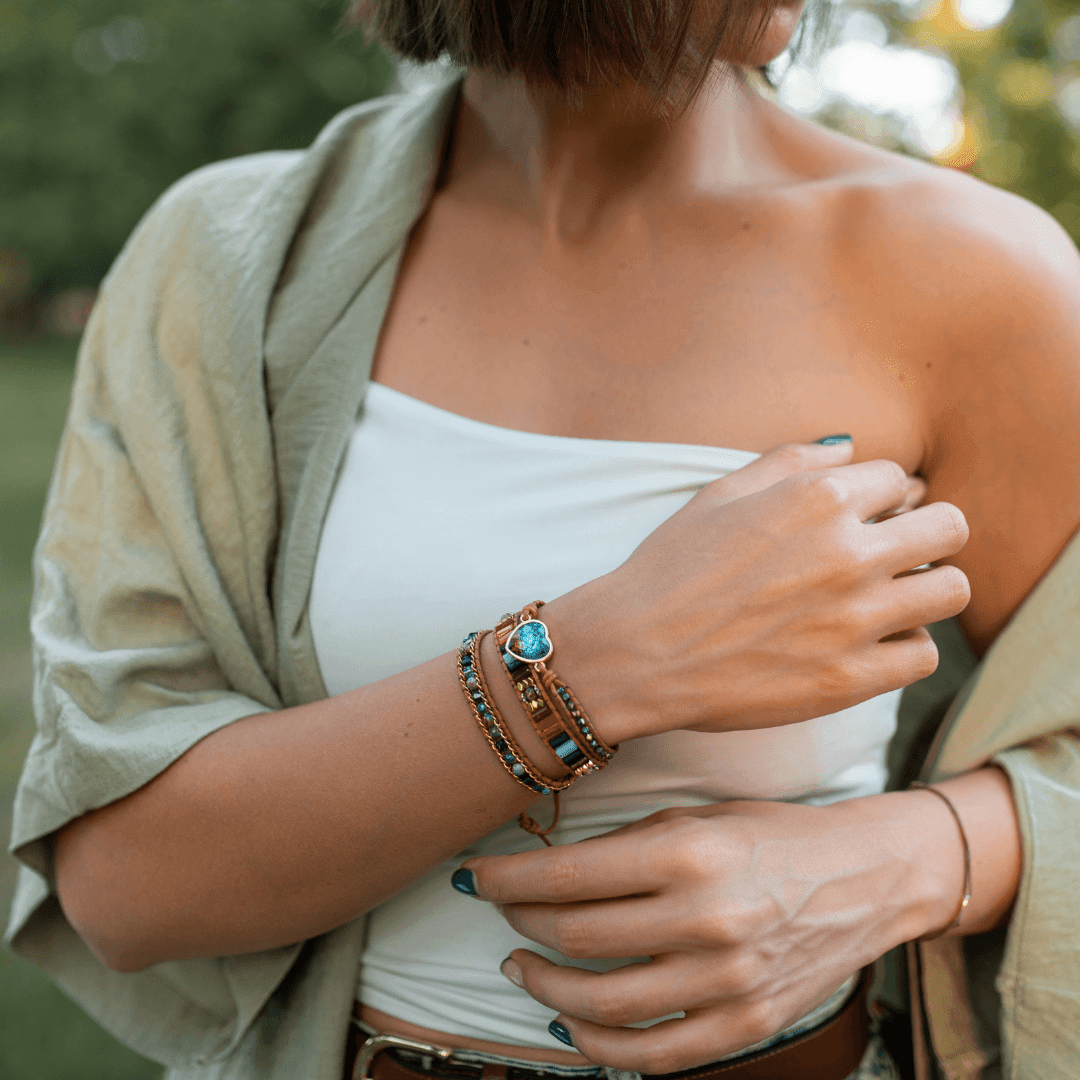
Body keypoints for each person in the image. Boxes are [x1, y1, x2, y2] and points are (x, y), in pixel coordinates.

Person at [7, 1, 1080, 1079]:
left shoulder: (977, 276)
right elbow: (124, 882)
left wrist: (915, 861)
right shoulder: (229, 260)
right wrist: (597, 666)